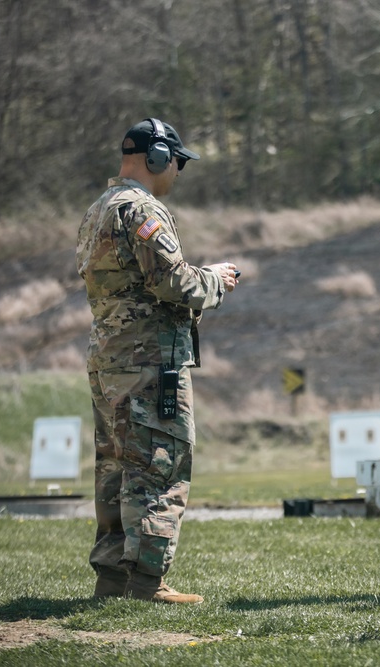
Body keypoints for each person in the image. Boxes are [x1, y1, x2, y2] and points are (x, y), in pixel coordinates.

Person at [76, 118, 239, 604]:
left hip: (110, 362)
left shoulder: (98, 209)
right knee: (159, 466)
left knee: (115, 468)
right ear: (158, 158)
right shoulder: (142, 210)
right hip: (151, 364)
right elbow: (175, 284)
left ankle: (112, 580)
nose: (177, 173)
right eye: (177, 163)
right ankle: (147, 582)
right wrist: (216, 279)